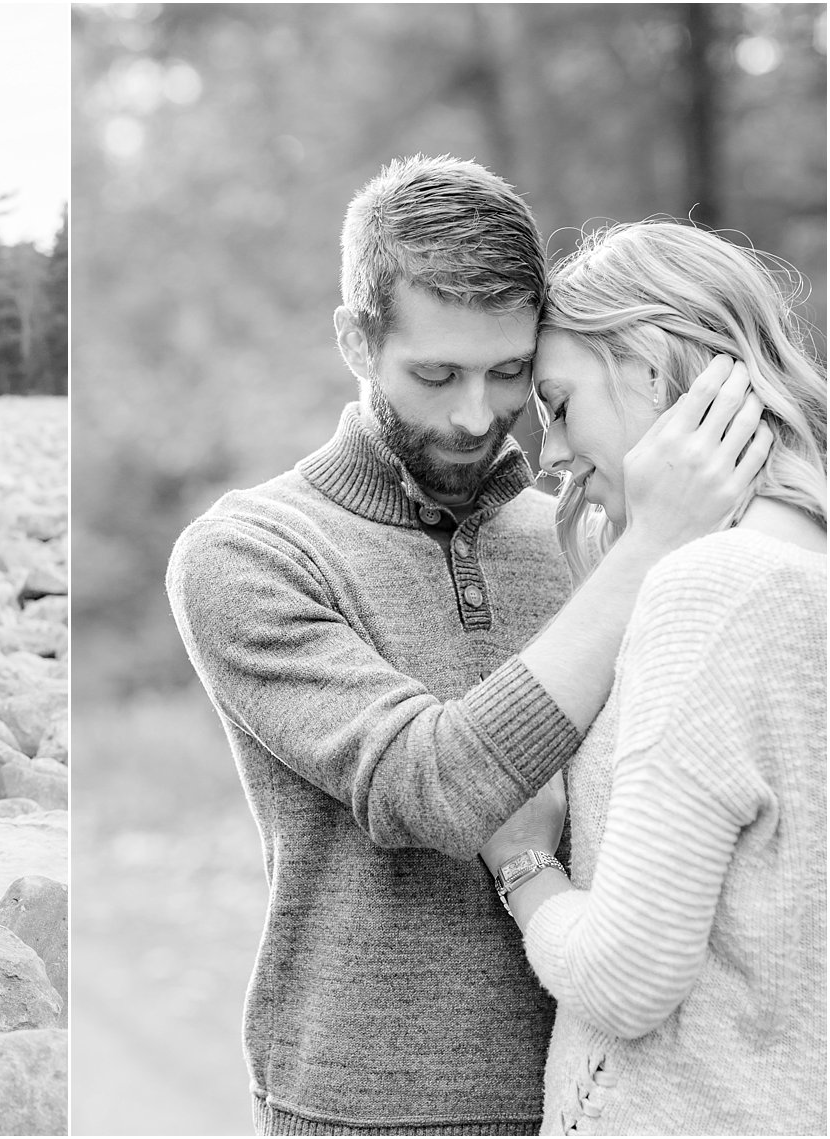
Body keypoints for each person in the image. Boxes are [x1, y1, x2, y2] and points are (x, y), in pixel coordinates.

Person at [164, 155, 770, 1135]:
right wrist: (652, 544)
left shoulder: (587, 537)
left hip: (607, 1095)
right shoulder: (247, 551)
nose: (476, 414)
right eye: (435, 373)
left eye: (508, 373)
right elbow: (425, 784)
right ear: (356, 339)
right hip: (362, 1107)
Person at [477, 221, 826, 1135]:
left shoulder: (713, 590)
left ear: (646, 365)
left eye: (558, 403)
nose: (548, 454)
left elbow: (627, 977)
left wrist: (521, 861)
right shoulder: (806, 567)